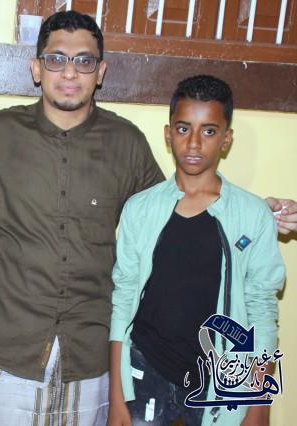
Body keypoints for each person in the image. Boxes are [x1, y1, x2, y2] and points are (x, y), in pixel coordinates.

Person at [0, 12, 296, 425]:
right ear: (36, 68)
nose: (69, 72)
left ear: (100, 71)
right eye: (56, 59)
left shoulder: (126, 143)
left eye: (83, 61)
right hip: (0, 350)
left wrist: (253, 211)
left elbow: (173, 204)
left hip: (89, 357)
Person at [108, 75, 285, 426]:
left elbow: (262, 311)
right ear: (168, 133)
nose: (193, 143)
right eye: (183, 128)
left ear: (226, 139)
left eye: (208, 131)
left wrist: (258, 403)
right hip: (146, 369)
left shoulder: (252, 215)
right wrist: (117, 396)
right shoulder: (140, 209)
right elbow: (123, 298)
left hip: (220, 378)